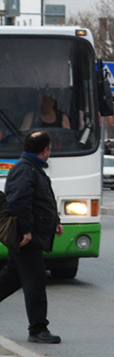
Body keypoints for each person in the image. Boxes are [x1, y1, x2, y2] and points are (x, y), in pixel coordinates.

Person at [0, 131, 64, 343]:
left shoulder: (31, 168)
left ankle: (38, 328)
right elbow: (19, 202)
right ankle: (38, 329)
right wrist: (26, 230)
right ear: (45, 150)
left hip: (32, 233)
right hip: (28, 237)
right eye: (49, 149)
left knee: (13, 277)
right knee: (35, 281)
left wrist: (55, 222)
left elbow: (41, 199)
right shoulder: (25, 170)